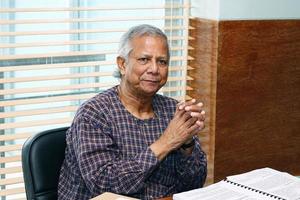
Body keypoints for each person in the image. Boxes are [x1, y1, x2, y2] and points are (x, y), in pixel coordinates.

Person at [58, 24, 207, 200]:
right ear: (122, 64)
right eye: (144, 59)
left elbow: (195, 183)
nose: (154, 69)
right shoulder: (93, 114)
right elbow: (104, 187)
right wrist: (166, 142)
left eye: (162, 61)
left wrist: (187, 143)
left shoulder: (173, 111)